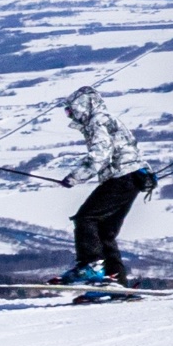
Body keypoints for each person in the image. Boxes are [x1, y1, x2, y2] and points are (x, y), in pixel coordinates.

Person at [57, 86, 155, 288]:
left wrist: (75, 177)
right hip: (134, 178)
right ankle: (115, 283)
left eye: (71, 110)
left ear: (83, 106)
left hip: (121, 178)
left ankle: (90, 265)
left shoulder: (97, 122)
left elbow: (100, 154)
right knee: (105, 232)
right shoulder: (110, 120)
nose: (70, 116)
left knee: (85, 218)